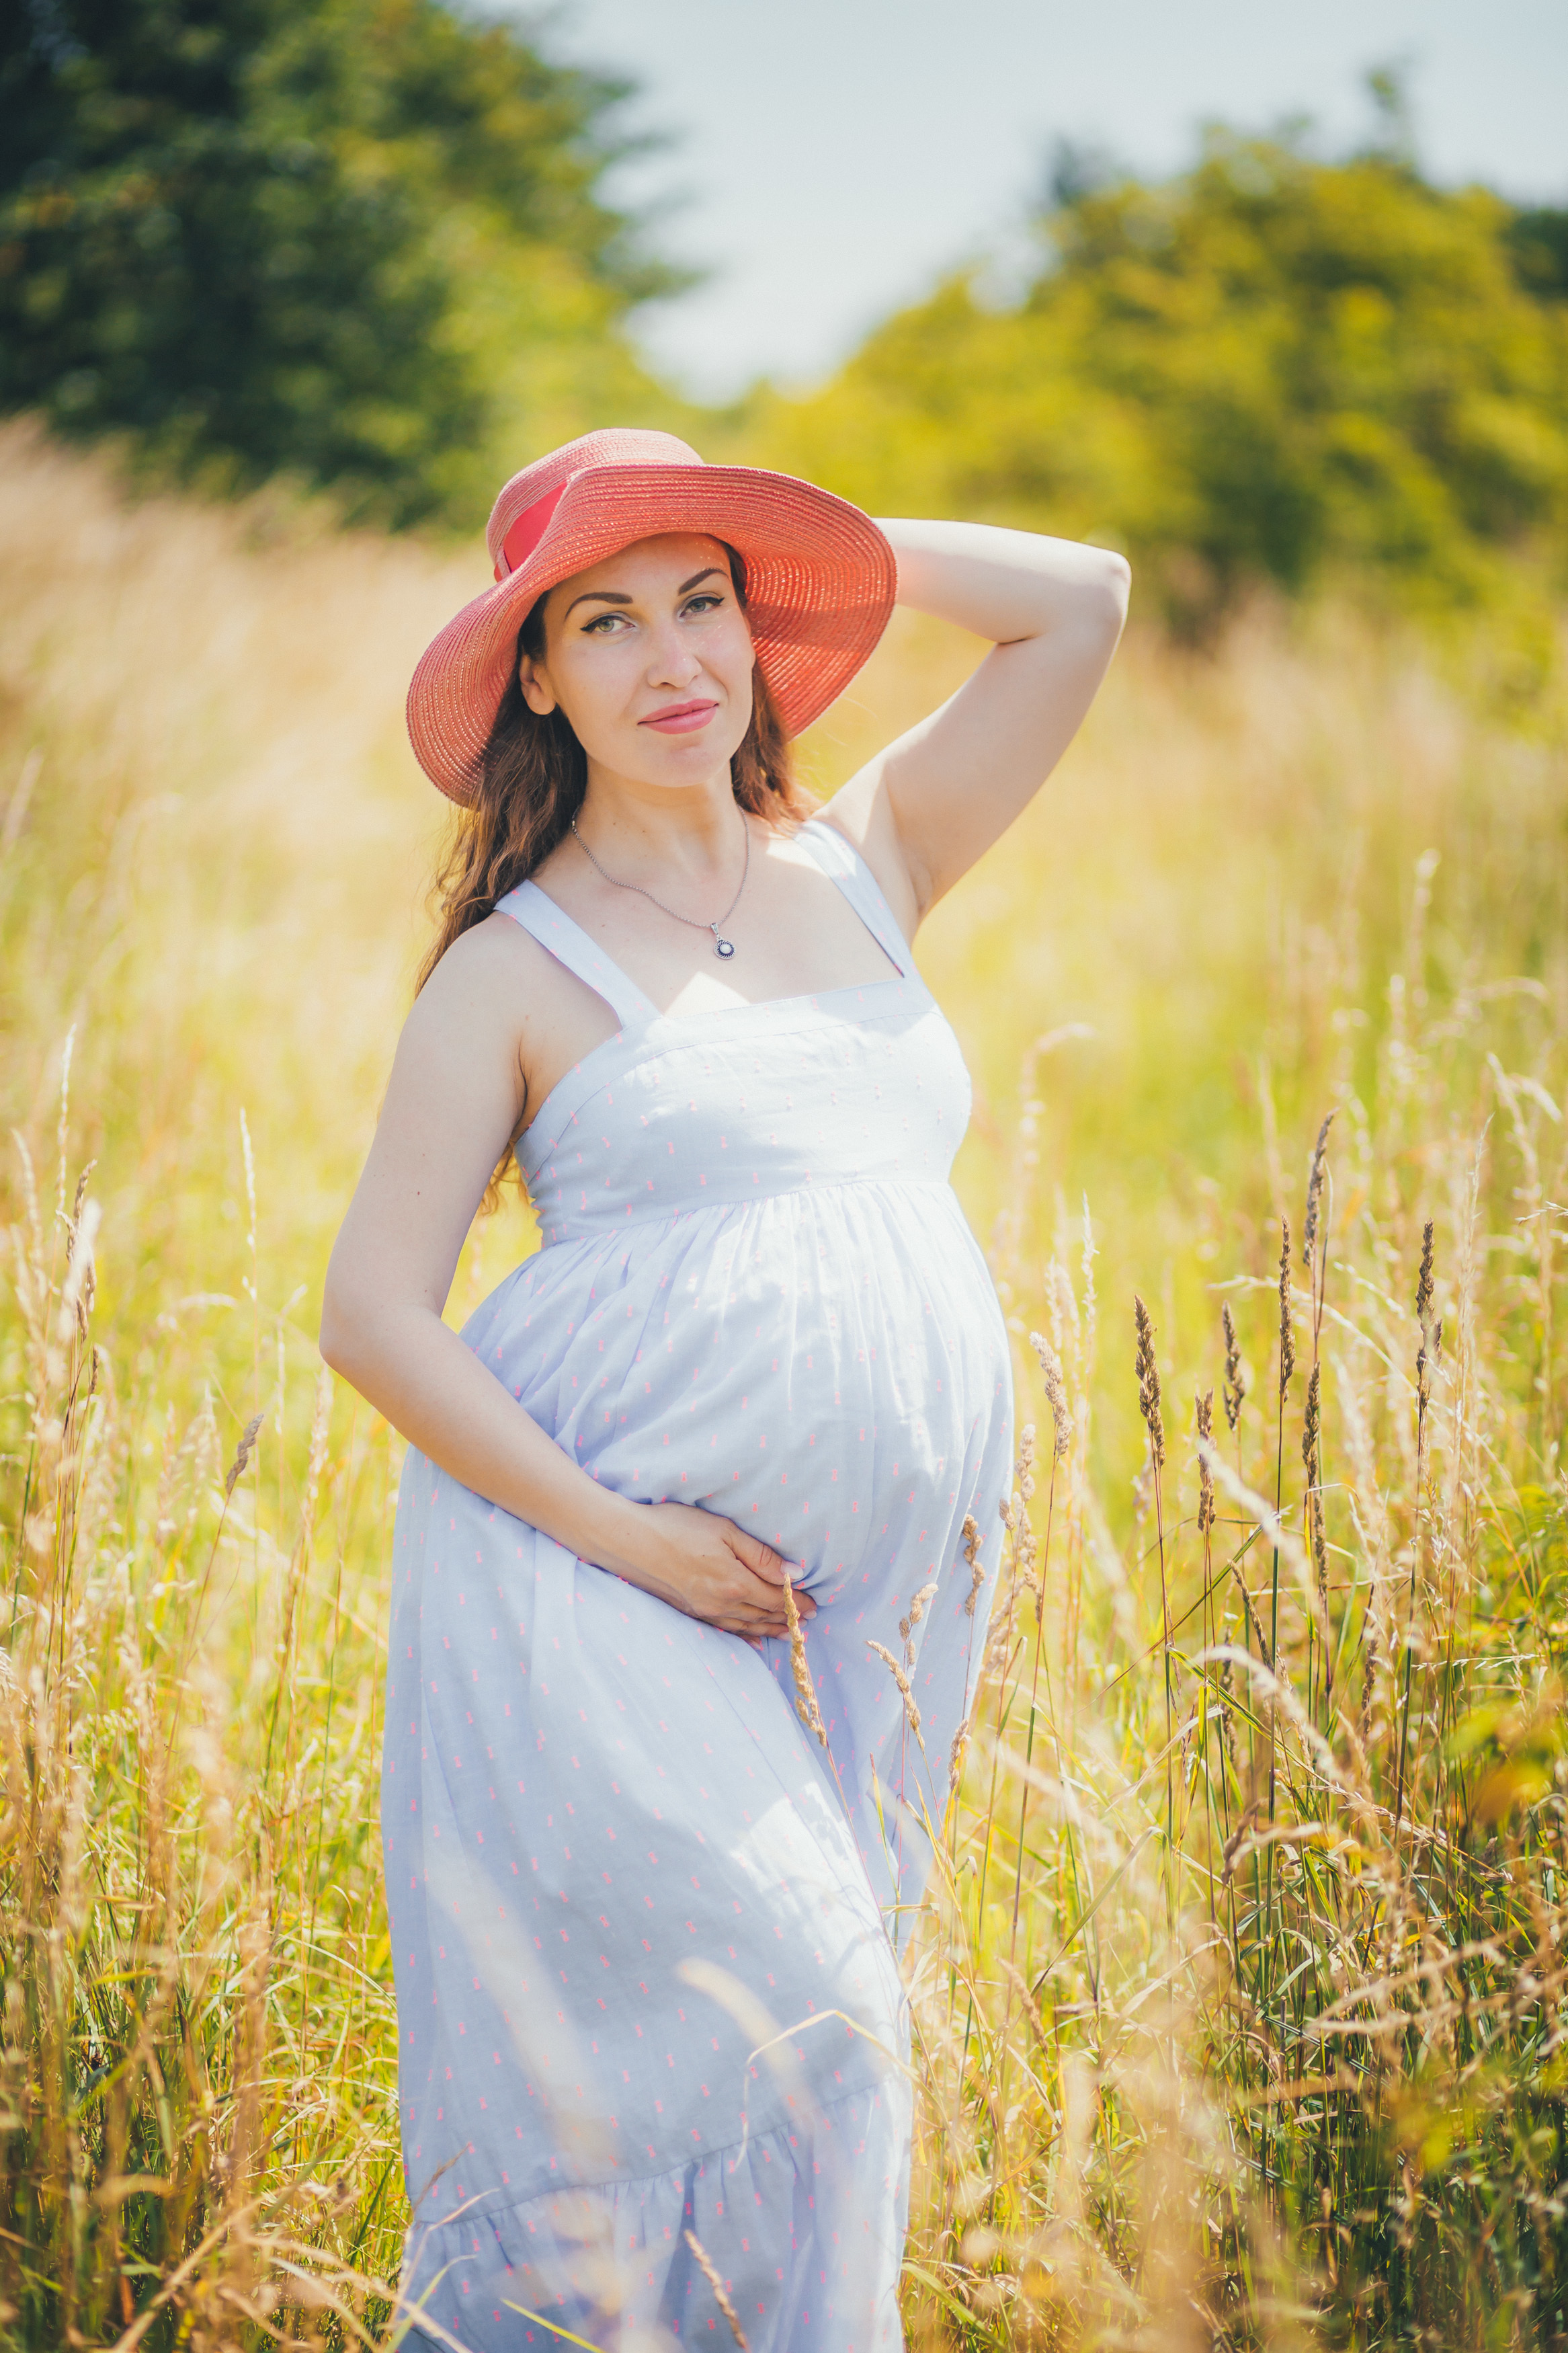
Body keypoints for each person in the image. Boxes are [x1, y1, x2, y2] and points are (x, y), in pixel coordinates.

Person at [321, 428, 1127, 2350]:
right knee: (816, 2040)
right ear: (536, 673)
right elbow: (373, 1313)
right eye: (605, 620)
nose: (673, 658)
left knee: (785, 2079)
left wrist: (812, 547)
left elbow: (1079, 598)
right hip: (604, 1584)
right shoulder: (509, 974)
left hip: (868, 1613)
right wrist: (632, 1541)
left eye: (706, 602)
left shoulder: (863, 858)